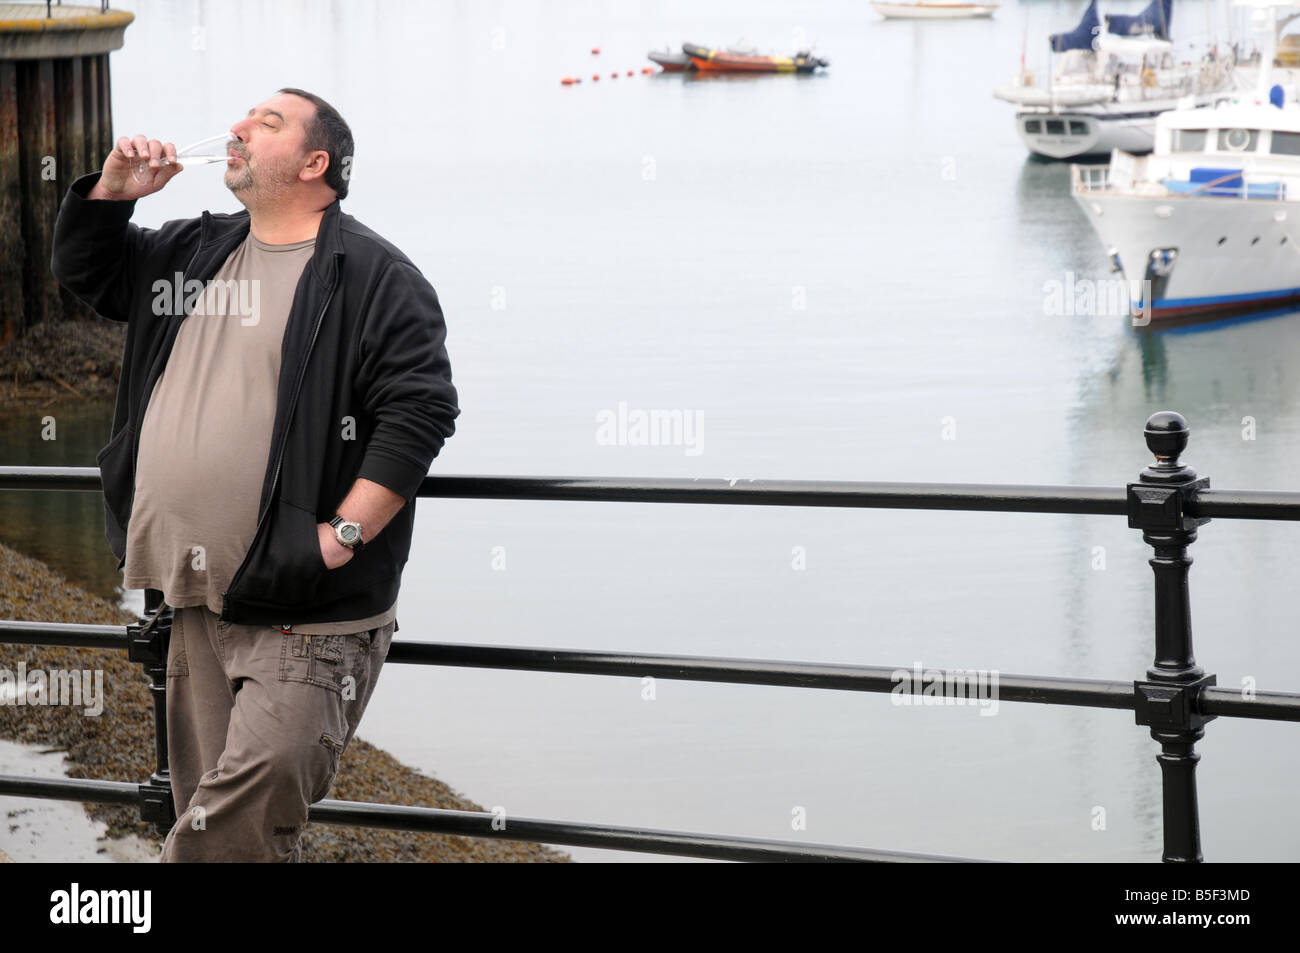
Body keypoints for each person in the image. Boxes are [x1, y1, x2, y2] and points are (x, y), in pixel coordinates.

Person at [50, 88, 459, 861]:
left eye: (266, 123)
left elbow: (420, 413)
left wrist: (337, 538)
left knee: (228, 824)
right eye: (244, 117)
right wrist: (110, 196)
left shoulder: (372, 277)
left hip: (308, 609)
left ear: (316, 163)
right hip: (197, 595)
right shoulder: (192, 251)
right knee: (224, 822)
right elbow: (87, 272)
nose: (238, 127)